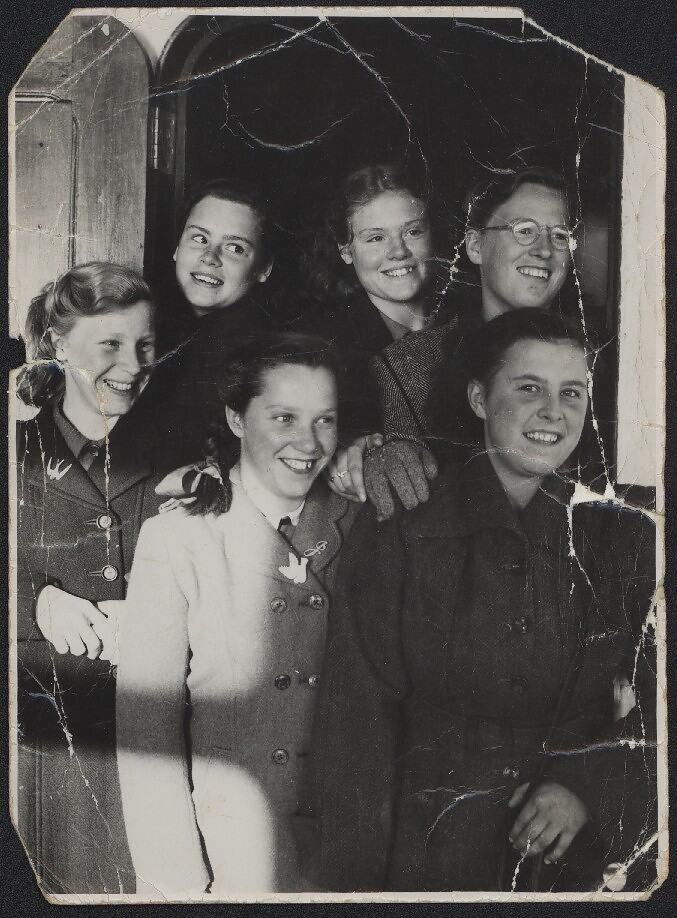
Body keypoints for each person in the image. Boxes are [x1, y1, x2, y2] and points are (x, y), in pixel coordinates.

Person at [317, 309, 656, 892]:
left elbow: (658, 694)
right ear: (479, 398)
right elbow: (356, 721)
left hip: (571, 856)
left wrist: (586, 783)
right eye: (529, 388)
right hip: (431, 849)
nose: (553, 412)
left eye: (571, 392)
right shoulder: (405, 521)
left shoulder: (622, 533)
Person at [116, 333, 358, 895]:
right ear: (236, 419)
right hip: (236, 847)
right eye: (284, 418)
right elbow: (147, 731)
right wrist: (177, 883)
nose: (308, 443)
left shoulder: (365, 525)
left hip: (345, 846)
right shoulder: (179, 538)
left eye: (325, 420)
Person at [15, 262, 166, 893]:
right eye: (110, 344)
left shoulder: (183, 454)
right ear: (58, 345)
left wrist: (159, 611)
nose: (132, 364)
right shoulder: (14, 452)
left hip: (156, 744)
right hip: (40, 753)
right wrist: (34, 601)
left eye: (145, 344)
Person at [362, 166, 582, 518]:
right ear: (475, 245)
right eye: (525, 231)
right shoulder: (406, 366)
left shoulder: (599, 363)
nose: (544, 251)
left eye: (560, 236)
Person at [301, 162, 451, 509]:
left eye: (413, 231)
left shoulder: (465, 321)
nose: (398, 251)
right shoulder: (319, 344)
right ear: (345, 250)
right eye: (375, 238)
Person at [144, 177, 278, 465]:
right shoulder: (152, 323)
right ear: (177, 247)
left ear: (263, 268)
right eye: (200, 238)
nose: (210, 257)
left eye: (235, 248)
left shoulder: (258, 355)